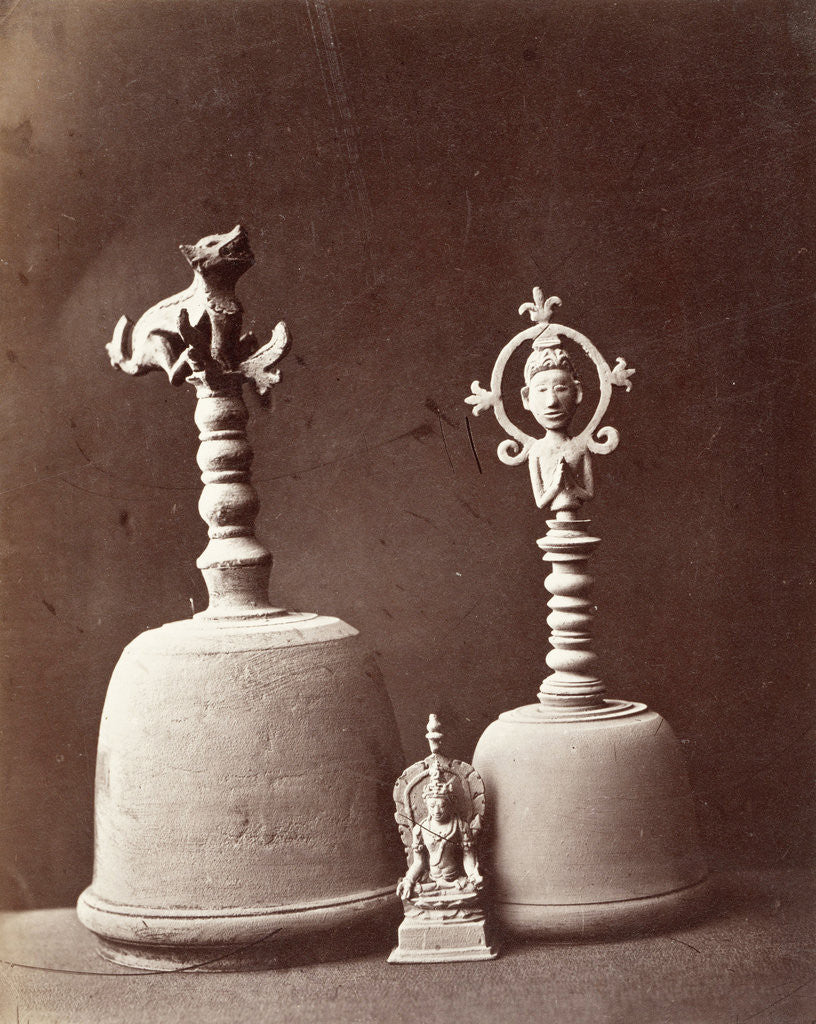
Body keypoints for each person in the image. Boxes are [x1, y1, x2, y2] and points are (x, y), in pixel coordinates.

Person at [396, 762, 483, 901]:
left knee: (472, 890)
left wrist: (473, 875)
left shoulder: (460, 826)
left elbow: (468, 857)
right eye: (432, 806)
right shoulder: (420, 829)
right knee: (413, 893)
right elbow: (419, 863)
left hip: (455, 882)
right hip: (432, 882)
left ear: (450, 804)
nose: (437, 811)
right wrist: (408, 880)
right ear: (426, 804)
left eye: (442, 805)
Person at [521, 344, 593, 510]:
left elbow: (589, 494)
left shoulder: (580, 448)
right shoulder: (537, 451)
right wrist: (556, 484)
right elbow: (540, 502)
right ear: (526, 398)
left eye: (560, 389)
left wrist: (572, 484)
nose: (552, 402)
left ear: (578, 392)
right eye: (541, 390)